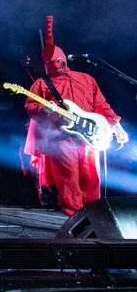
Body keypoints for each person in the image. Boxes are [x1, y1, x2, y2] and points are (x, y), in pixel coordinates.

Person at [24, 16, 128, 216]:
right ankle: (76, 218)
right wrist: (44, 110)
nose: (56, 66)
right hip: (61, 137)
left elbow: (101, 105)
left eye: (59, 61)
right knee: (68, 179)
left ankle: (95, 217)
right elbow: (30, 106)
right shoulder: (41, 84)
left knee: (92, 177)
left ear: (64, 58)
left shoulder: (86, 79)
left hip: (89, 134)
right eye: (51, 64)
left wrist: (116, 125)